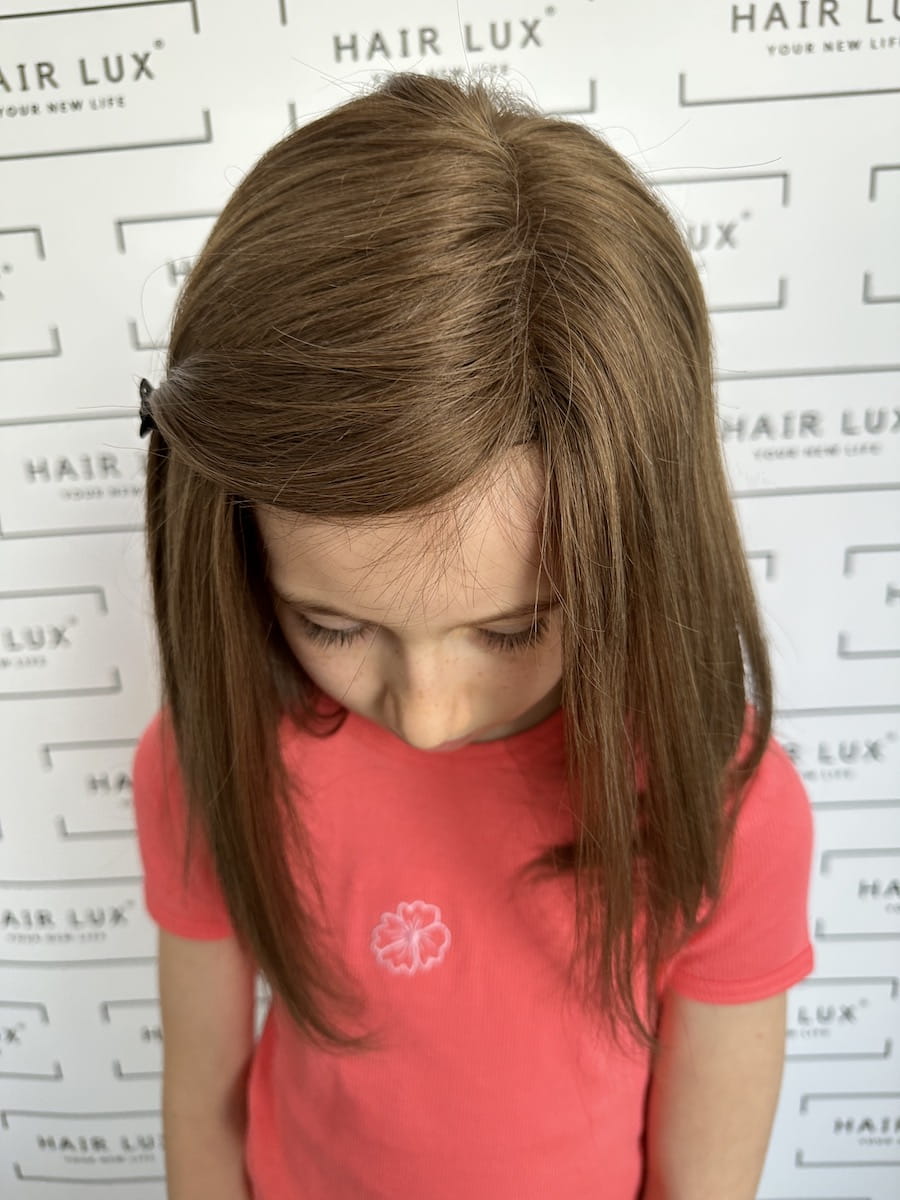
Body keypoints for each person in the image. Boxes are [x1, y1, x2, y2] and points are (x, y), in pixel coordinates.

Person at [131, 72, 815, 1200]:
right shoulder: (215, 758)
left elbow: (703, 1179)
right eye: (331, 624)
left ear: (641, 554)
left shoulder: (718, 808)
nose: (426, 714)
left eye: (512, 630)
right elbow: (203, 1103)